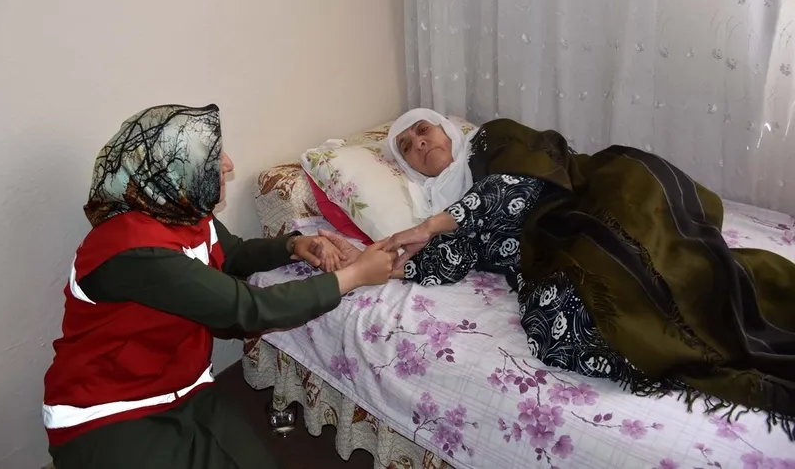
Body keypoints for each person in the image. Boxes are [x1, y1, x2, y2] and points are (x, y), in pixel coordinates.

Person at [316, 108, 795, 432]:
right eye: (407, 146)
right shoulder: (449, 203)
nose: (420, 142)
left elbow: (516, 186)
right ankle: (682, 362)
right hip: (549, 249)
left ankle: (692, 309)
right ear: (408, 167)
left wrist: (430, 225)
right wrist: (374, 264)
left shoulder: (491, 139)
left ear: (446, 128)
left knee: (642, 260)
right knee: (552, 331)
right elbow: (450, 259)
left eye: (424, 130)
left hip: (592, 201)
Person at [42, 104, 396, 469]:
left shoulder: (183, 213)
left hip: (182, 389)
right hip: (106, 414)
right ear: (170, 171)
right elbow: (248, 309)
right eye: (212, 157)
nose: (227, 164)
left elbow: (233, 254)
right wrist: (355, 276)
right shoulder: (133, 250)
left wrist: (292, 246)